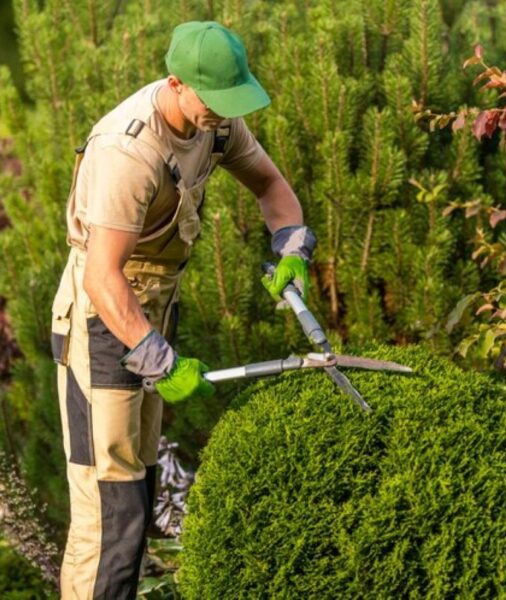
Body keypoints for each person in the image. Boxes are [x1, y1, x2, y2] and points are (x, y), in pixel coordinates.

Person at [49, 21, 315, 599]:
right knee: (109, 509)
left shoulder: (215, 126)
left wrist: (291, 245)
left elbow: (271, 186)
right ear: (177, 84)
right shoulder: (128, 151)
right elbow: (102, 277)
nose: (224, 115)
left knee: (138, 493)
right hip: (103, 322)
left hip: (151, 311)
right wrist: (159, 361)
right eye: (215, 103)